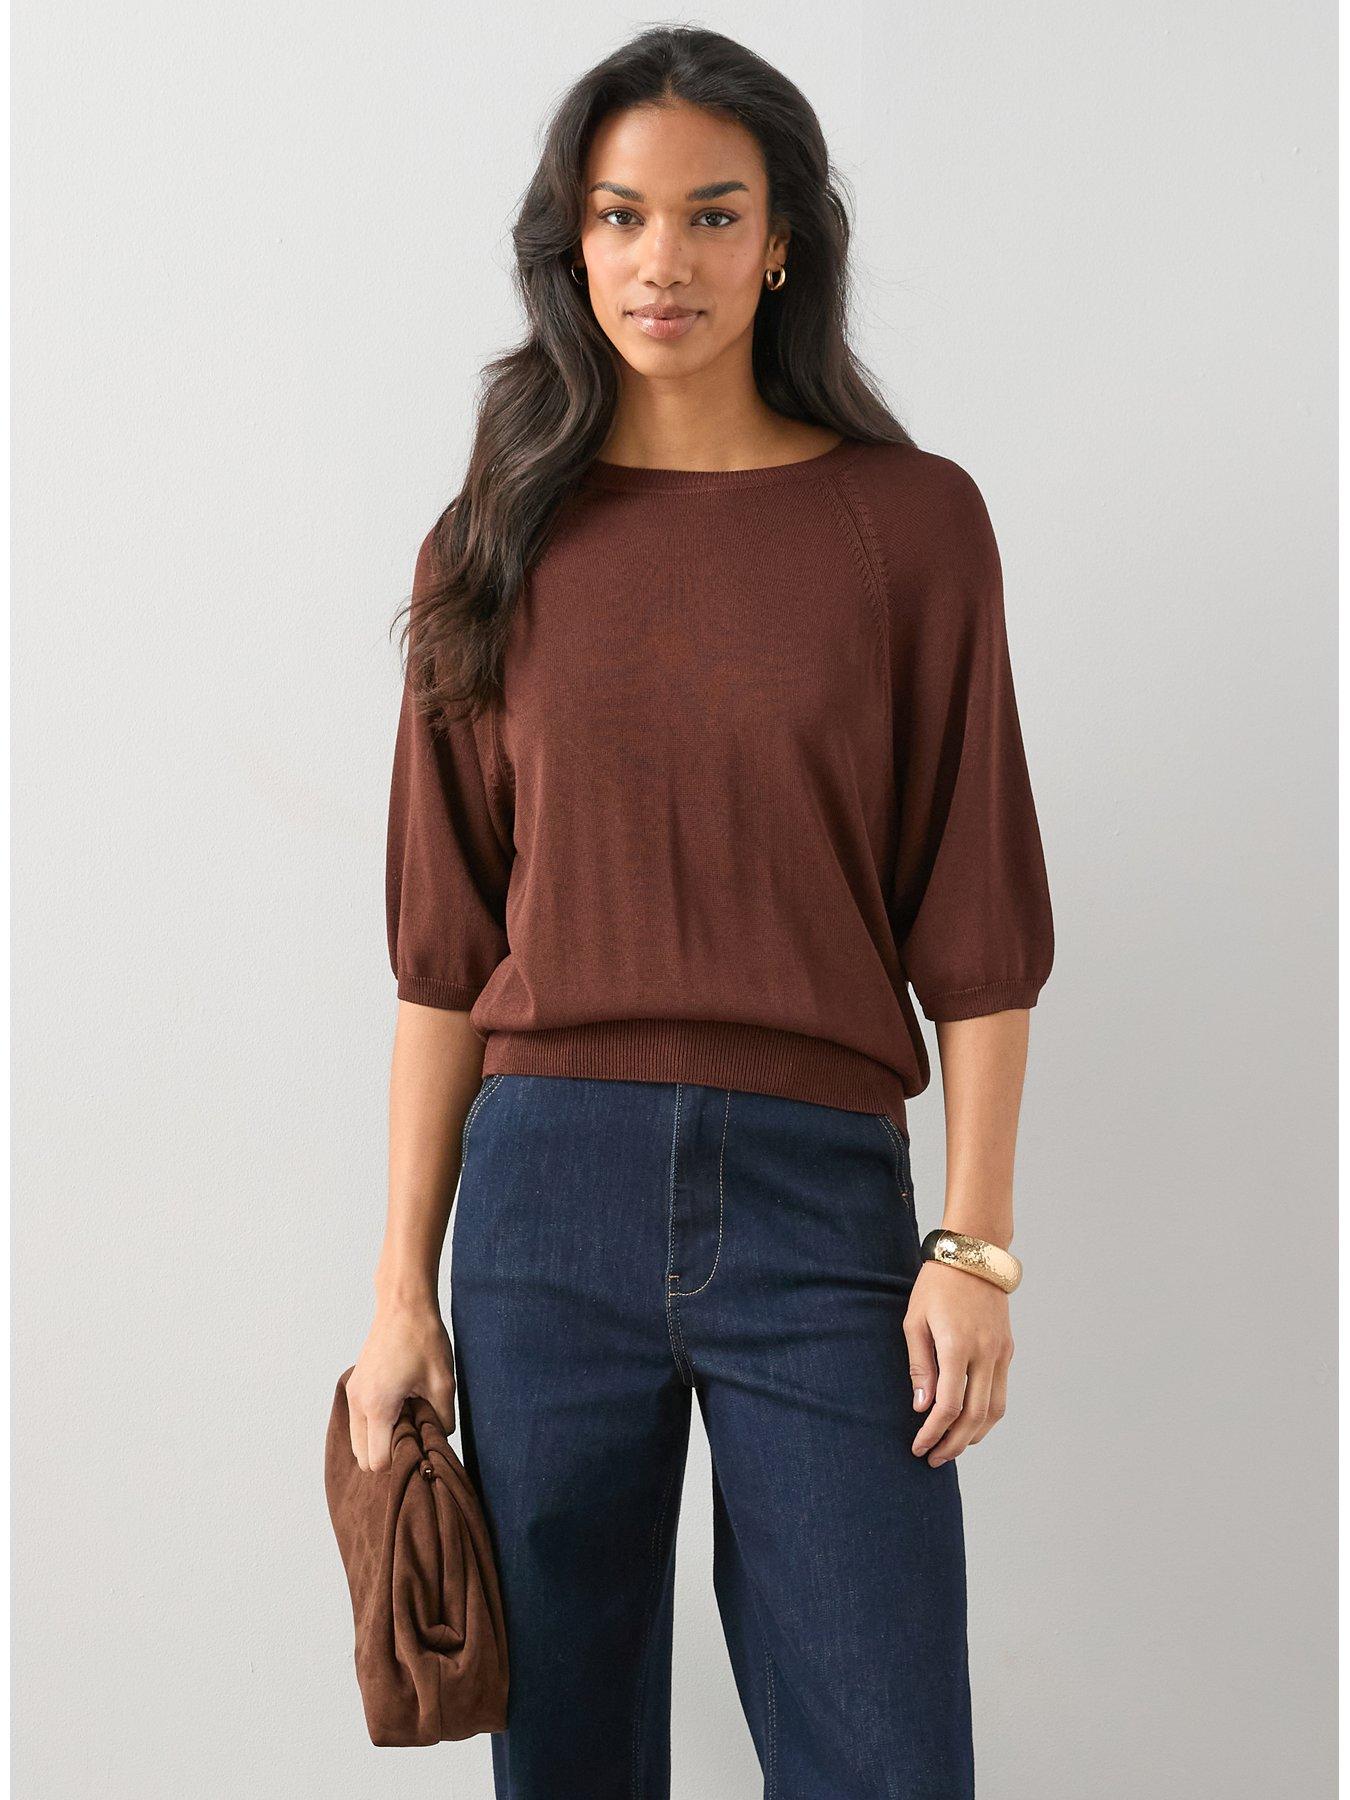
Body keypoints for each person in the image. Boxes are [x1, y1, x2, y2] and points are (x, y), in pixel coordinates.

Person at [345, 24, 1053, 1800]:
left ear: (782, 241)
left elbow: (976, 922)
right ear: (572, 243)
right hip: (540, 1200)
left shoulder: (910, 525)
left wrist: (971, 1245)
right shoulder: (490, 542)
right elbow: (443, 958)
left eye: (711, 215)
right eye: (621, 216)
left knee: (886, 1752)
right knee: (565, 1759)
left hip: (819, 1199)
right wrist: (399, 1293)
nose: (662, 260)